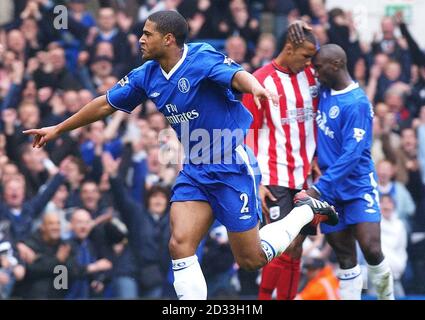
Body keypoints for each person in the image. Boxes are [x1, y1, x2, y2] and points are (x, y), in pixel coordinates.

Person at [23, 10, 337, 300]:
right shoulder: (146, 75)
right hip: (196, 169)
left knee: (250, 260)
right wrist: (59, 129)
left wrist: (255, 87)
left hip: (232, 165)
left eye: (147, 34)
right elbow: (105, 104)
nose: (141, 39)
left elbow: (236, 75)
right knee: (180, 244)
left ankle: (305, 212)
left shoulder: (200, 57)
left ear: (168, 39)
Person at [304, 44, 395, 300]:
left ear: (335, 65)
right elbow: (316, 52)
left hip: (356, 186)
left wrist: (319, 187)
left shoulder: (357, 103)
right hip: (330, 192)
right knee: (344, 258)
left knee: (372, 249)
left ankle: (387, 297)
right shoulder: (324, 90)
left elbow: (352, 156)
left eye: (319, 68)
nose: (315, 72)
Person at [242, 26, 320, 300]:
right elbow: (249, 134)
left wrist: (317, 157)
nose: (310, 62)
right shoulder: (259, 81)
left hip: (305, 177)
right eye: (305, 56)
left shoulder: (311, 76)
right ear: (288, 49)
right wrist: (257, 180)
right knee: (282, 244)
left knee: (297, 246)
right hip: (273, 176)